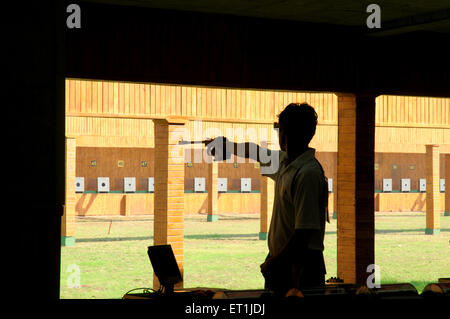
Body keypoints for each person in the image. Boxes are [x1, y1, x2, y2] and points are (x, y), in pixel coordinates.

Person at [206, 103, 329, 296]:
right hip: (285, 262)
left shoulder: (307, 173)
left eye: (279, 130)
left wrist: (275, 261)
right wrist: (226, 146)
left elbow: (304, 233)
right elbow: (255, 151)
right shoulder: (285, 162)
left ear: (286, 132)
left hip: (299, 267)